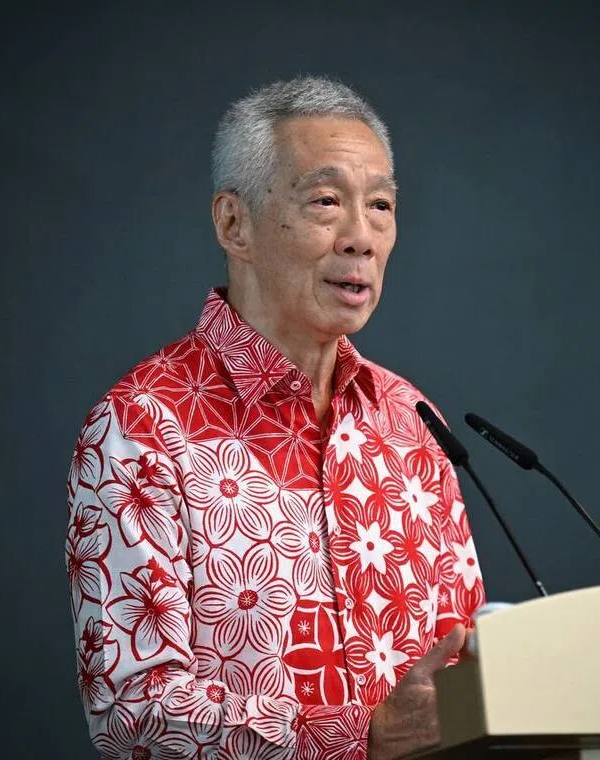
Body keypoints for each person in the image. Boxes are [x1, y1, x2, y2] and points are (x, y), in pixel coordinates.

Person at [65, 75, 486, 759]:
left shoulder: (413, 422)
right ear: (234, 224)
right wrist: (358, 738)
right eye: (326, 201)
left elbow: (462, 670)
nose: (362, 238)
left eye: (381, 206)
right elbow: (133, 714)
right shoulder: (143, 426)